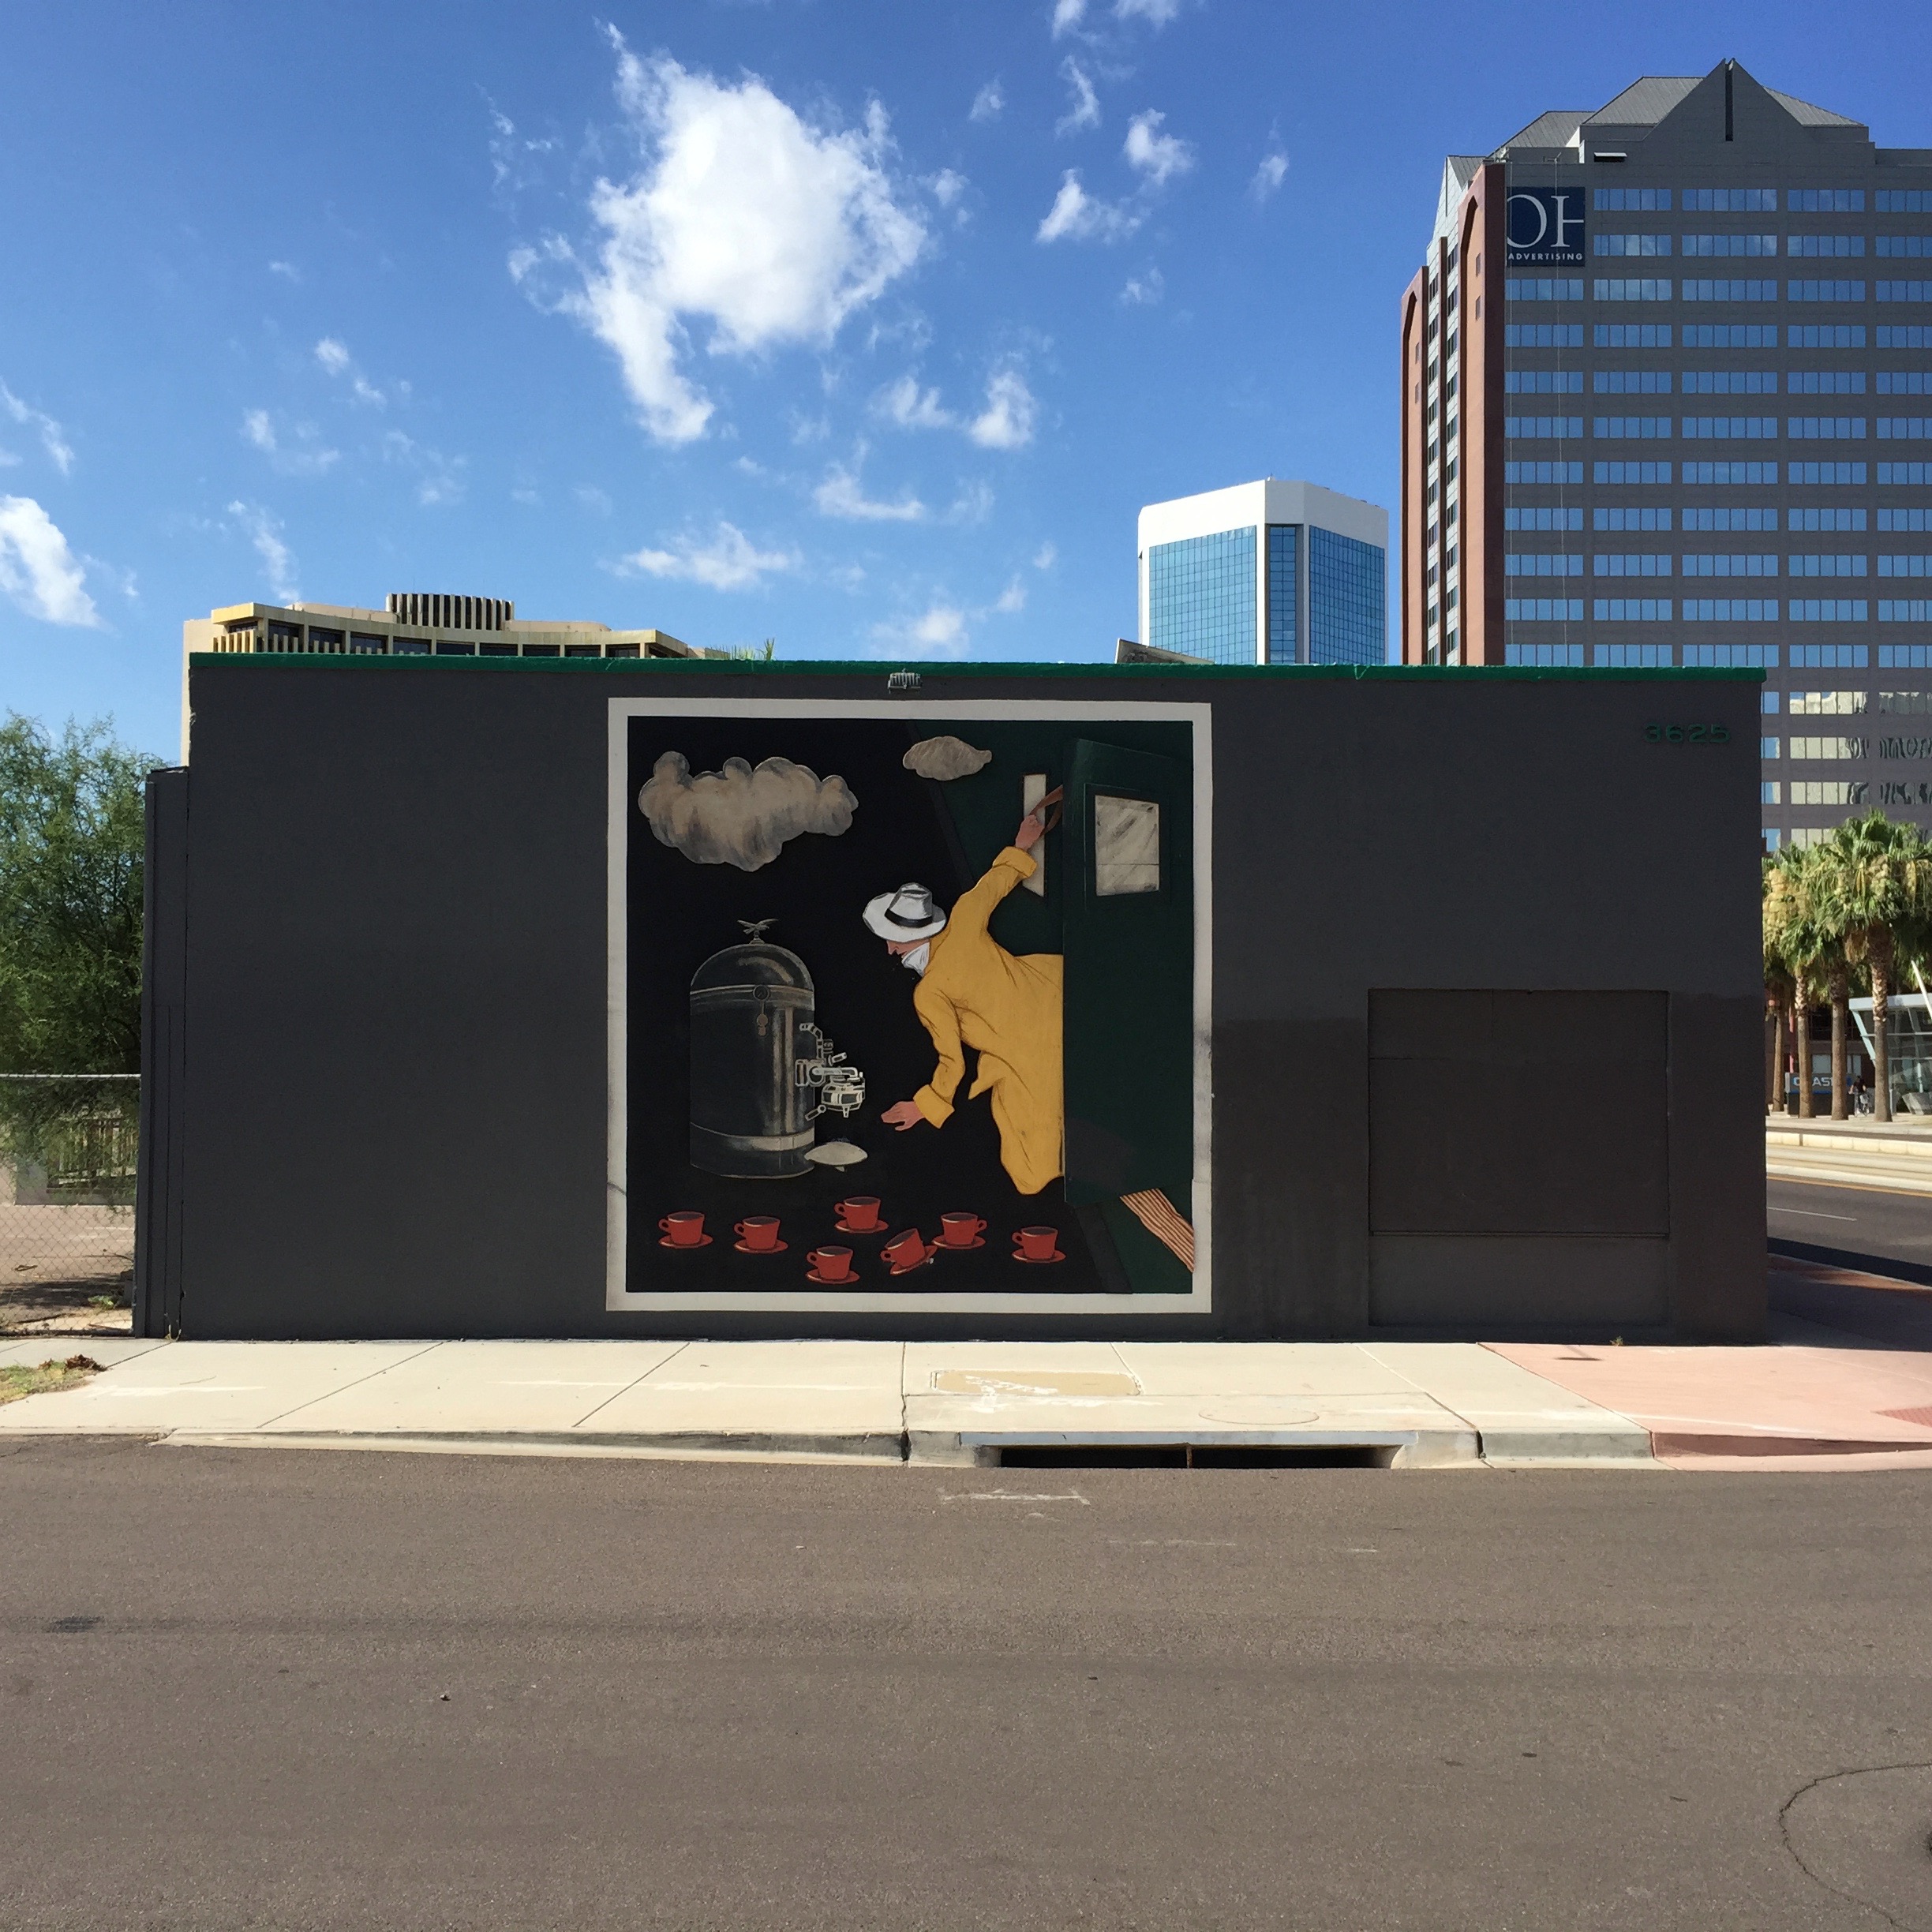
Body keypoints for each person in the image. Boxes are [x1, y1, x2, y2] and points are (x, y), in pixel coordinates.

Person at [866, 804, 1061, 1195]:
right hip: (1059, 993)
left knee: (1029, 1171)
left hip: (1030, 1053)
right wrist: (1023, 843)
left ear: (910, 939)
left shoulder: (929, 993)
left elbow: (952, 1061)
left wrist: (925, 1106)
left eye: (893, 939)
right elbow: (998, 880)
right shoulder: (965, 917)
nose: (889, 950)